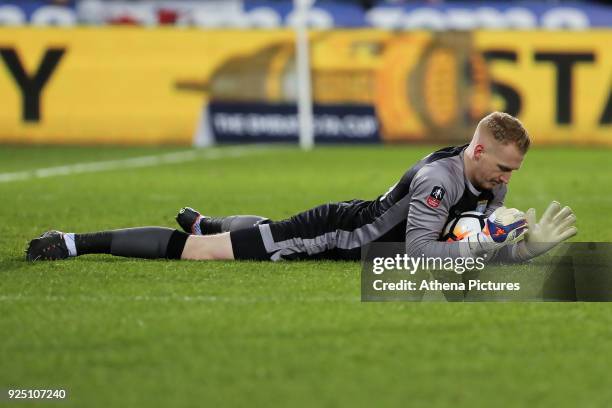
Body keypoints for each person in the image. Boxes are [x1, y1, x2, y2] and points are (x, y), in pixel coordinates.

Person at [26, 112, 577, 263]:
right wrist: (507, 248)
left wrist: (512, 242)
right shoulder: (442, 178)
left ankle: (208, 220)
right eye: (502, 168)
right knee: (205, 255)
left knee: (265, 230)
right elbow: (418, 254)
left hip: (352, 228)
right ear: (478, 150)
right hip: (336, 236)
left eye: (513, 173)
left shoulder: (490, 182)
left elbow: (462, 237)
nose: (506, 181)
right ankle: (76, 241)